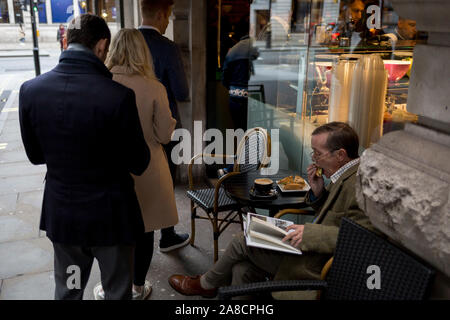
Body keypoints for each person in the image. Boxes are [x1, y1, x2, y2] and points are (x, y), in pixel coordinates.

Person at [19, 14, 150, 300]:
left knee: (69, 289)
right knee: (117, 291)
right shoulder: (117, 96)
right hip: (112, 220)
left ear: (67, 41)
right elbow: (139, 163)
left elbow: (35, 155)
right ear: (102, 45)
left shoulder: (31, 91)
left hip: (65, 218)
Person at [168, 122, 376, 300]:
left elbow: (362, 238)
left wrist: (310, 233)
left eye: (318, 154)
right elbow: (332, 213)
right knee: (242, 269)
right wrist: (318, 192)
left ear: (340, 155)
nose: (314, 159)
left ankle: (205, 285)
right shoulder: (343, 175)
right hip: (308, 247)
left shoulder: (360, 185)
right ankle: (210, 286)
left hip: (316, 262)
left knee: (243, 239)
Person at [92, 28, 178, 300]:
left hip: (108, 167)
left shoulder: (99, 82)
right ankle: (138, 287)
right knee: (144, 229)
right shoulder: (154, 87)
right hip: (148, 168)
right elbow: (165, 135)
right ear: (143, 52)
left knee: (112, 230)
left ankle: (110, 287)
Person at [139, 0, 190, 252]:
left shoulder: (126, 42)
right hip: (163, 124)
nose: (168, 21)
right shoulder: (167, 47)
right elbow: (181, 91)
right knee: (166, 178)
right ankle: (167, 235)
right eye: (168, 16)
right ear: (160, 15)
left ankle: (139, 231)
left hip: (133, 125)